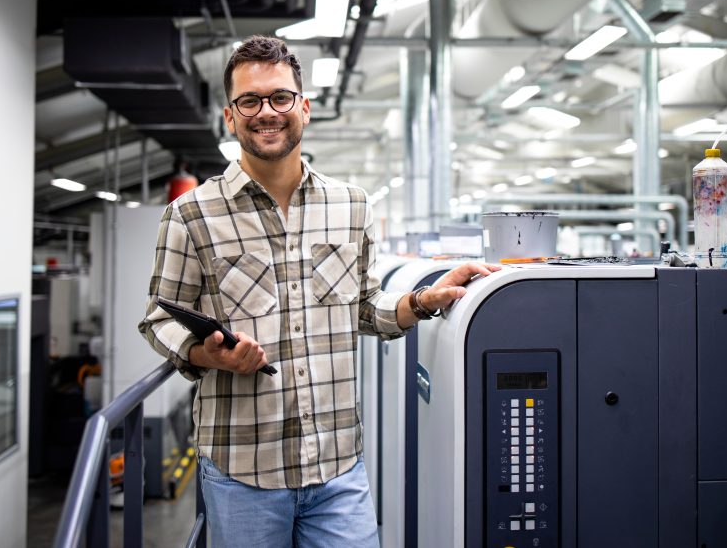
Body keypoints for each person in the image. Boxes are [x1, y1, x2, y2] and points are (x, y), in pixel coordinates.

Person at [138, 35, 499, 547]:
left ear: (303, 108)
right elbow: (158, 319)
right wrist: (211, 355)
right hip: (243, 472)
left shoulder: (351, 206)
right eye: (250, 101)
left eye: (280, 97)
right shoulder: (191, 214)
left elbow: (366, 310)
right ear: (230, 116)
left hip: (336, 470)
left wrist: (423, 299)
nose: (267, 112)